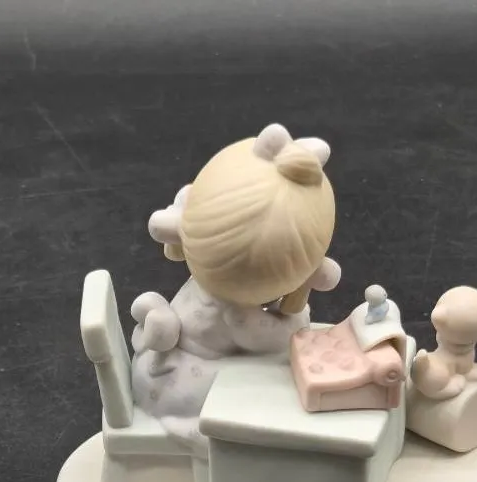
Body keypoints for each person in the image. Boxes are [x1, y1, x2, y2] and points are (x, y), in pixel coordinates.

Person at [130, 123, 341, 455]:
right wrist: (298, 314)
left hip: (165, 356)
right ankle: (228, 451)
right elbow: (282, 339)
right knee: (265, 390)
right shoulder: (239, 316)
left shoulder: (213, 287)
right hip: (182, 378)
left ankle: (155, 319)